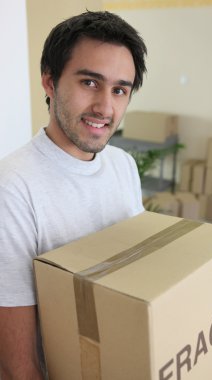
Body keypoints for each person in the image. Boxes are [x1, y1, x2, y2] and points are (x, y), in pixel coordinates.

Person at [0, 10, 147, 379]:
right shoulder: (13, 186)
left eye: (119, 90)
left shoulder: (123, 165)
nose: (105, 107)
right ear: (49, 82)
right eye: (89, 83)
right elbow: (19, 365)